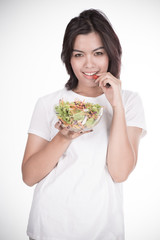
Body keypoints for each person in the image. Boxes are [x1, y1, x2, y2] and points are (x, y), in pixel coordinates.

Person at [22, 9, 146, 240]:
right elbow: (29, 176)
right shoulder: (49, 103)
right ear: (69, 58)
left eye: (98, 53)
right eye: (79, 55)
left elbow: (119, 172)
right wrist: (63, 137)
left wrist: (116, 106)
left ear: (111, 53)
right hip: (48, 226)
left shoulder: (128, 102)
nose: (89, 64)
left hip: (103, 230)